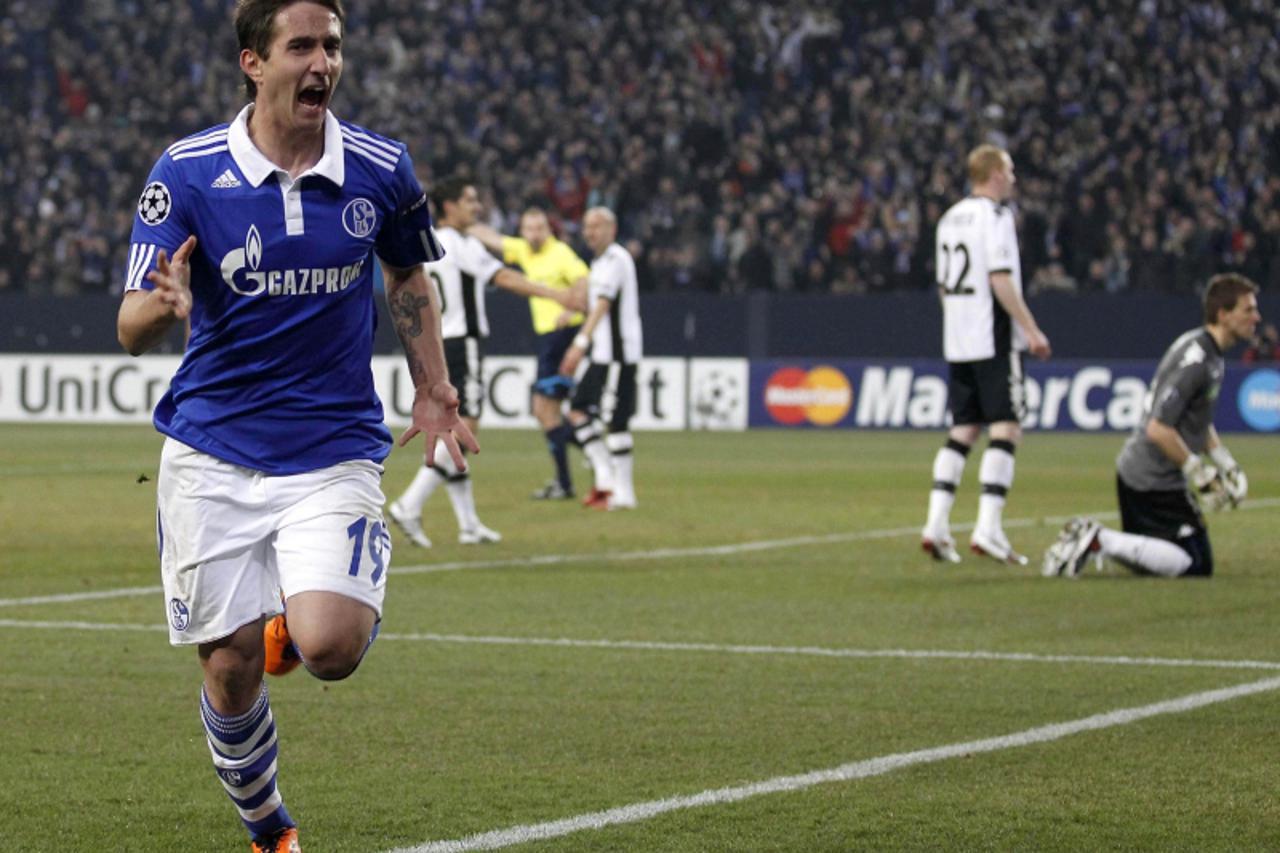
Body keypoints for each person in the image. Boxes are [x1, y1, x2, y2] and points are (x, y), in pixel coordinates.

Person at [115, 3, 475, 850]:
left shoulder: (381, 166)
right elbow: (129, 322)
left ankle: (299, 612)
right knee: (230, 665)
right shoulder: (188, 171)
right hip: (212, 449)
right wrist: (165, 309)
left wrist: (435, 387)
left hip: (332, 447)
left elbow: (407, 275)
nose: (323, 64)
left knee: (331, 646)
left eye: (333, 47)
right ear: (254, 61)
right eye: (302, 46)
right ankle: (268, 825)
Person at [387, 177, 576, 546]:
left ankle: (469, 524)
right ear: (450, 207)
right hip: (464, 344)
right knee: (462, 428)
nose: (477, 207)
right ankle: (409, 505)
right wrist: (556, 294)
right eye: (470, 200)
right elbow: (503, 277)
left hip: (439, 344)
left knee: (453, 429)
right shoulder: (462, 244)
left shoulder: (430, 242)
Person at [1043, 274, 1260, 578]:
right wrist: (1198, 470)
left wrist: (1224, 461)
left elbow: (1198, 419)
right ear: (1223, 315)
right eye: (1248, 310)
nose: (1257, 317)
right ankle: (1095, 539)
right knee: (1194, 565)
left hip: (1156, 476)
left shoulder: (1209, 353)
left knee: (1188, 561)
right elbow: (1157, 428)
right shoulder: (1197, 359)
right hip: (1150, 478)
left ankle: (1098, 541)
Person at [920, 143, 1052, 566]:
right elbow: (999, 278)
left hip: (958, 338)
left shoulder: (948, 218)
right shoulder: (995, 218)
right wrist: (1030, 329)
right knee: (1007, 428)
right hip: (992, 337)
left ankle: (936, 526)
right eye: (1009, 171)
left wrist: (958, 322)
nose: (1013, 178)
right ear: (994, 173)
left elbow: (943, 286)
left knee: (963, 429)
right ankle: (988, 528)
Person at [470, 208, 589, 500]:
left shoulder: (561, 253)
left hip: (562, 336)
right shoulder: (523, 250)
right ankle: (583, 462)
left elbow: (584, 281)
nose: (535, 234)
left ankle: (585, 461)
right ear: (522, 231)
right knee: (546, 412)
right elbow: (492, 239)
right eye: (529, 228)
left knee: (545, 411)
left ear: (549, 229)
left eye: (540, 228)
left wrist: (573, 308)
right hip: (548, 340)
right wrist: (463, 226)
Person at [558, 207, 644, 510]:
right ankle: (606, 477)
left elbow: (604, 305)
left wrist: (579, 343)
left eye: (596, 226)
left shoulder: (617, 259)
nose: (590, 232)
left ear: (612, 228)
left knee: (615, 421)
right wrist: (573, 312)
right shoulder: (599, 263)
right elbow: (596, 304)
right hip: (604, 355)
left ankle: (624, 493)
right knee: (577, 410)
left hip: (619, 356)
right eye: (587, 227)